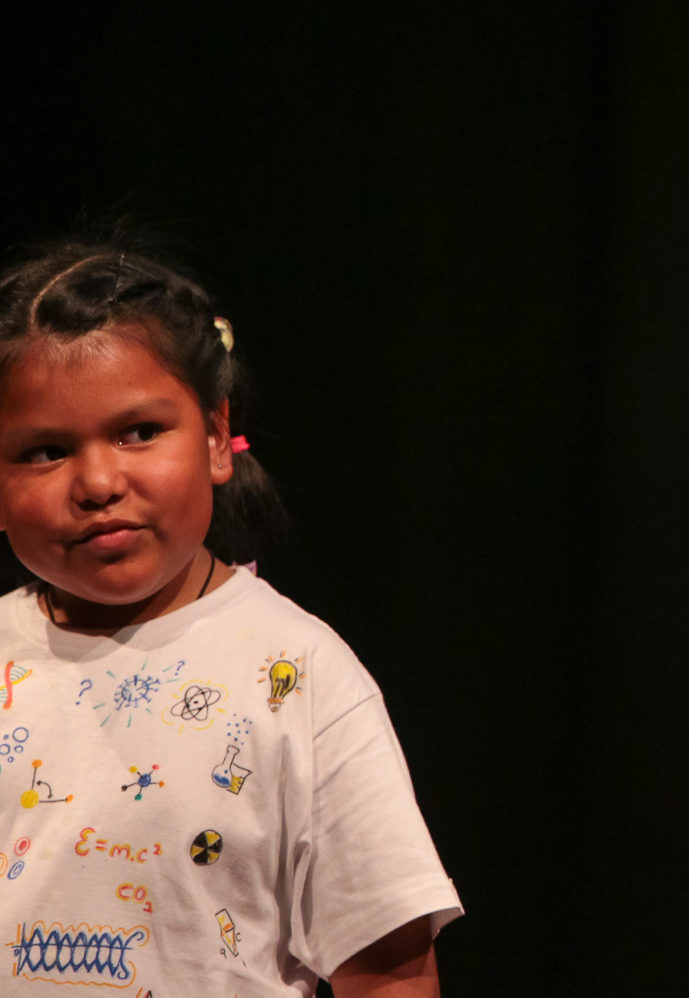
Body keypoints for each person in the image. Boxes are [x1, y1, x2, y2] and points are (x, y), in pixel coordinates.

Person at [0, 243, 459, 997]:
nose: (98, 482)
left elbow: (389, 973)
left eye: (138, 432)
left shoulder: (299, 674)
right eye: (45, 451)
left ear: (216, 438)